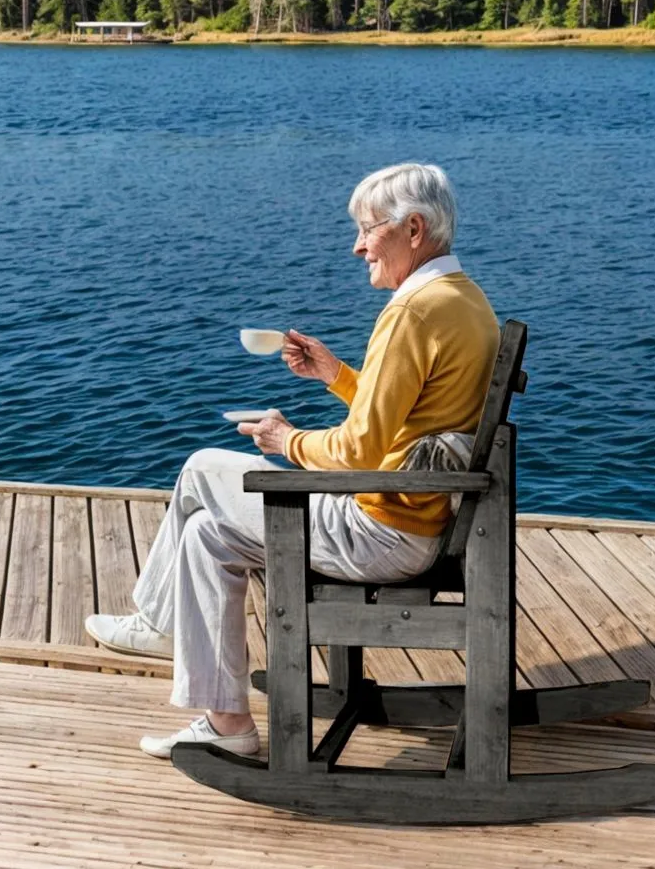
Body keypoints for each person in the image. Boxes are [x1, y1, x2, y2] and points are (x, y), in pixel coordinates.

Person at [85, 163, 500, 759]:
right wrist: (336, 375)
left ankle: (158, 624)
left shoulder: (411, 314)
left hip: (385, 530)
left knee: (202, 465)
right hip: (421, 515)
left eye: (367, 229)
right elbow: (411, 421)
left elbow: (361, 450)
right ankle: (228, 724)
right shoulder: (463, 300)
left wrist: (287, 441)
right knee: (205, 535)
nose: (358, 246)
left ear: (413, 229)